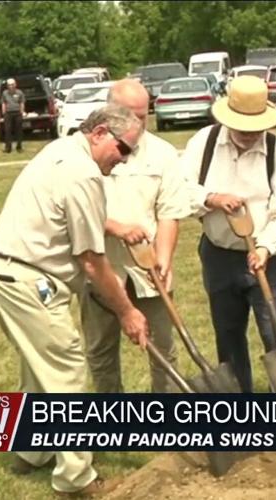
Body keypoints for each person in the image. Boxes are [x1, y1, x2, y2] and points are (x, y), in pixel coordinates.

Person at [0, 104, 149, 496]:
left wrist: (115, 226)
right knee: (67, 371)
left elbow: (70, 214)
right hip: (29, 280)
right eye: (123, 150)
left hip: (4, 270)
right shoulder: (83, 174)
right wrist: (127, 312)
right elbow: (92, 261)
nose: (123, 161)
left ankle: (29, 452)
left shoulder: (61, 151)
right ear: (100, 133)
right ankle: (76, 479)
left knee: (40, 369)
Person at [180, 75, 276, 393]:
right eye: (242, 127)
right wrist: (212, 198)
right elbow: (180, 191)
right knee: (229, 337)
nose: (249, 134)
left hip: (266, 259)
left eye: (256, 128)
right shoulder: (203, 144)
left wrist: (264, 248)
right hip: (218, 255)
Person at [81, 79, 197, 394]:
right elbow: (77, 211)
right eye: (129, 116)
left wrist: (164, 258)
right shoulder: (86, 154)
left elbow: (170, 212)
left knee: (164, 347)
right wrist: (115, 227)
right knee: (101, 351)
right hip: (101, 267)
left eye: (143, 116)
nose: (137, 124)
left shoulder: (162, 154)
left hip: (149, 270)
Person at [1, 78, 25, 153]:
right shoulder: (4, 93)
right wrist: (4, 113)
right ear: (7, 86)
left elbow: (22, 103)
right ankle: (8, 148)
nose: (11, 86)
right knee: (7, 131)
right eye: (9, 85)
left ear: (15, 84)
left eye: (12, 84)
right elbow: (3, 103)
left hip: (17, 113)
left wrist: (22, 112)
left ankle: (19, 147)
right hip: (8, 114)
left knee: (19, 131)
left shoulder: (19, 92)